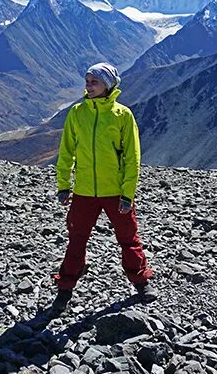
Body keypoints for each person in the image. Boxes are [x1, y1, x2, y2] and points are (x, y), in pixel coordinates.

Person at [51, 62, 156, 312]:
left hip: (114, 191)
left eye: (94, 81)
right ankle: (65, 287)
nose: (88, 86)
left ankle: (141, 281)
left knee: (128, 238)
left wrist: (127, 194)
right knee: (77, 239)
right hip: (84, 191)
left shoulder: (122, 115)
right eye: (87, 81)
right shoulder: (77, 113)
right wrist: (64, 185)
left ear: (107, 85)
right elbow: (66, 151)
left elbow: (132, 157)